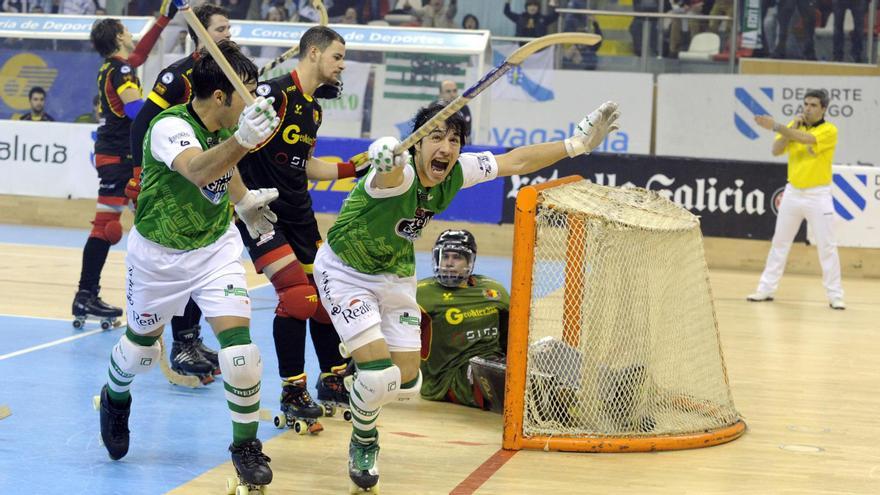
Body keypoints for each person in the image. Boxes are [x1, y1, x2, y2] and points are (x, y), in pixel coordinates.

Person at [313, 99, 620, 491]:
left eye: (454, 140)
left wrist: (576, 144)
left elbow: (517, 162)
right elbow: (386, 176)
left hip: (395, 273)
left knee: (408, 379)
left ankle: (360, 358)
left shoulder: (458, 170)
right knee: (376, 377)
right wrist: (385, 155)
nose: (445, 147)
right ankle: (364, 441)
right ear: (417, 144)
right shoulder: (399, 174)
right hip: (346, 272)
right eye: (435, 137)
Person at [96, 40, 280, 491]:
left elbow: (225, 165)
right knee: (140, 354)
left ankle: (245, 446)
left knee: (241, 354)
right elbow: (199, 168)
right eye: (247, 91)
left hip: (214, 251)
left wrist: (245, 203)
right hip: (157, 257)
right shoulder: (167, 126)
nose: (253, 100)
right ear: (220, 96)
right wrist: (242, 140)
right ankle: (114, 399)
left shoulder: (222, 127)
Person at [235, 25, 364, 433]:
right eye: (337, 56)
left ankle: (333, 377)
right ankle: (292, 390)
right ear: (312, 52)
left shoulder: (313, 108)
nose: (342, 65)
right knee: (297, 297)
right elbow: (231, 145)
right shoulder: (272, 95)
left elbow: (304, 165)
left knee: (326, 297)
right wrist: (241, 201)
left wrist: (356, 167)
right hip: (262, 213)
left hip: (300, 213)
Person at [128, 3, 232, 383]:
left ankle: (190, 336)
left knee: (204, 255)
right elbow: (141, 125)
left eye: (228, 27)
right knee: (179, 256)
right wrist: (138, 177)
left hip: (207, 181)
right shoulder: (176, 78)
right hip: (175, 181)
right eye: (220, 29)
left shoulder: (228, 76)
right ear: (201, 34)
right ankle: (177, 343)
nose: (228, 34)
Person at [72, 3, 178, 327]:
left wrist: (165, 17)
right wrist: (172, 111)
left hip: (114, 155)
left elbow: (142, 52)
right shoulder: (121, 71)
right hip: (119, 158)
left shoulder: (115, 67)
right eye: (126, 29)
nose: (132, 33)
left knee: (109, 226)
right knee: (134, 223)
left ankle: (86, 296)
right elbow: (135, 111)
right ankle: (102, 297)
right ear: (119, 36)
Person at [748, 89, 845, 310]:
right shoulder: (794, 127)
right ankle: (765, 289)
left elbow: (807, 139)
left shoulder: (829, 130)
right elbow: (776, 150)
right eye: (806, 104)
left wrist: (776, 126)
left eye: (813, 105)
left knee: (827, 246)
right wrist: (789, 127)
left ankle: (835, 295)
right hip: (793, 192)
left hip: (818, 195)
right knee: (779, 243)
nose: (808, 108)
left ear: (823, 109)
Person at [417, 229, 510, 410]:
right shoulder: (421, 293)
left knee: (548, 354)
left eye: (457, 257)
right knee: (501, 378)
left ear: (470, 261)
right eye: (445, 257)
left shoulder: (494, 290)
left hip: (496, 360)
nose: (449, 264)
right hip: (450, 377)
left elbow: (512, 333)